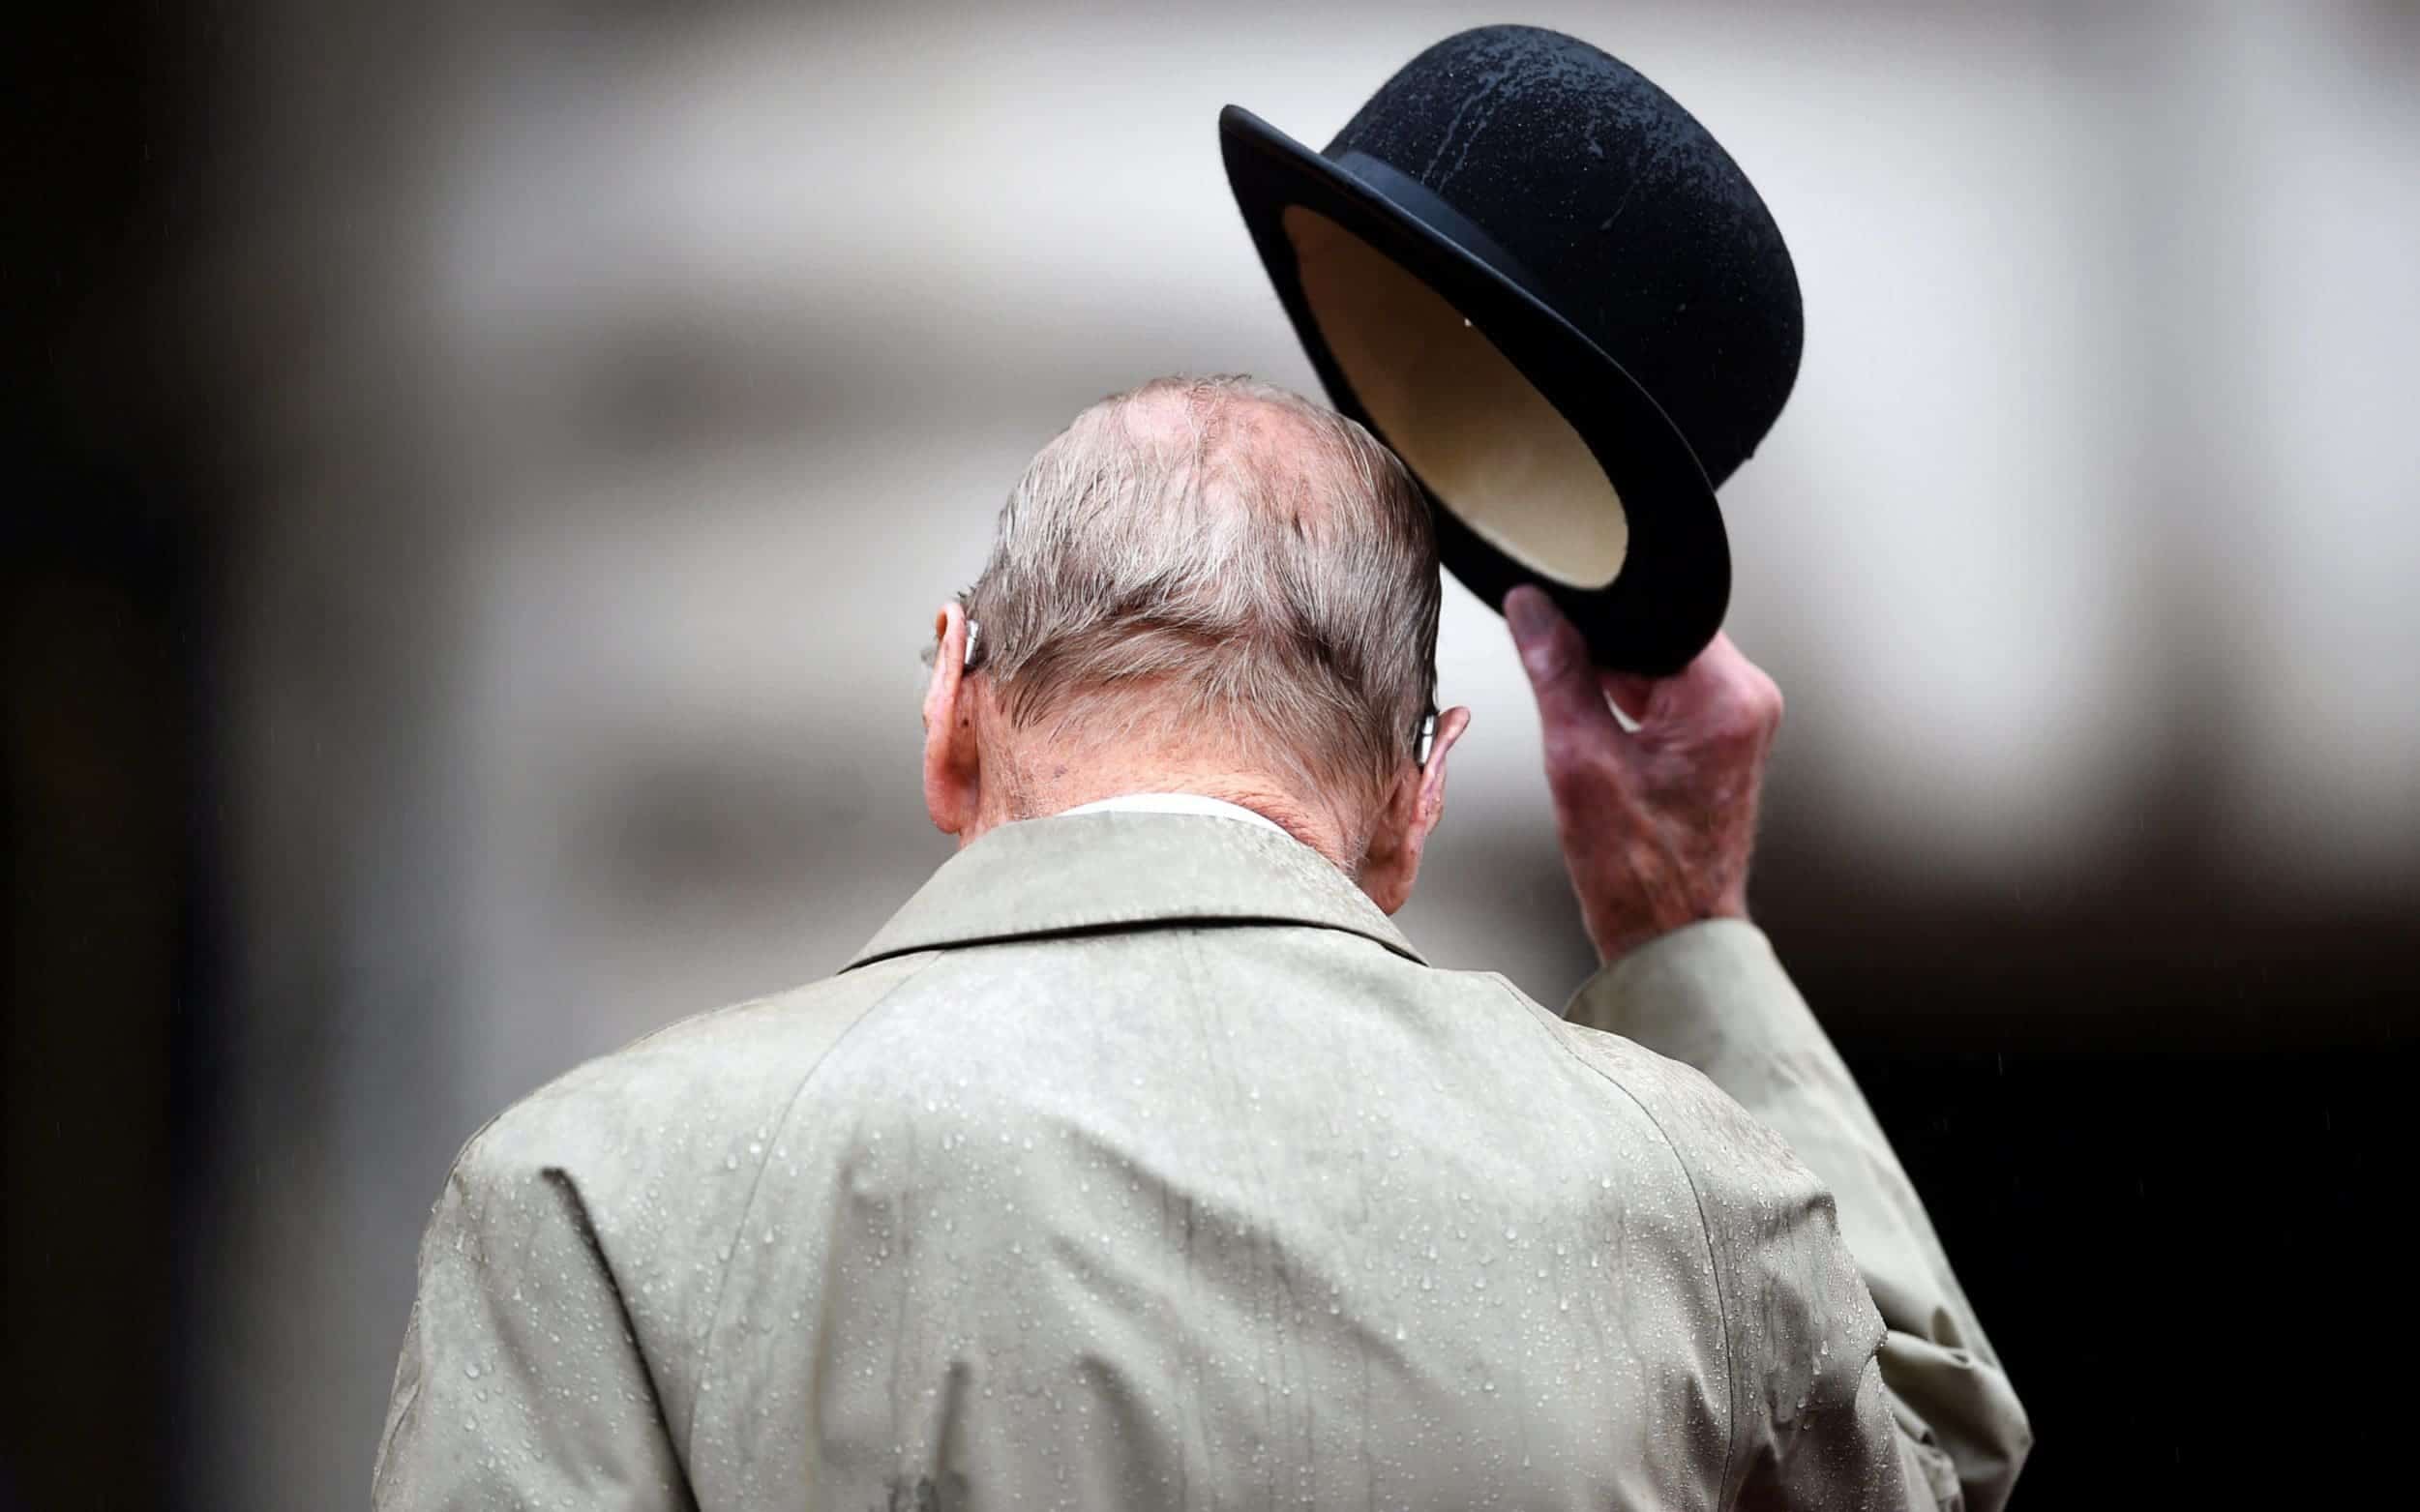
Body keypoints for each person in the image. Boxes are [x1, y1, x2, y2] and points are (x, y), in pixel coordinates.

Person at [373, 375, 2030, 1509]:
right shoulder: (1678, 1195)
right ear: (1414, 795)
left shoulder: (594, 1196)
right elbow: (1931, 1465)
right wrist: (1684, 928)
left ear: (954, 702)